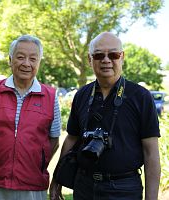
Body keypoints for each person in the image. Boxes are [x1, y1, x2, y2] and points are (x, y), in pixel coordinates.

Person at [50, 32, 161, 200]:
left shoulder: (141, 96)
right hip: (84, 186)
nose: (106, 60)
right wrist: (58, 179)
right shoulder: (82, 94)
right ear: (90, 59)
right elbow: (71, 139)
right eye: (99, 55)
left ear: (122, 57)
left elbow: (151, 151)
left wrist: (151, 198)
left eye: (113, 54)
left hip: (124, 189)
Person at [0, 35, 61, 200]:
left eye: (33, 59)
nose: (26, 63)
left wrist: (36, 164)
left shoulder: (50, 96)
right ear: (10, 60)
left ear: (39, 63)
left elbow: (54, 141)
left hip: (32, 186)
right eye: (20, 57)